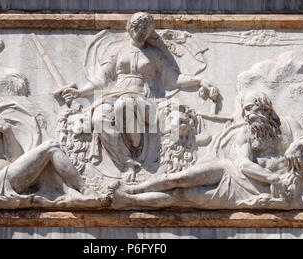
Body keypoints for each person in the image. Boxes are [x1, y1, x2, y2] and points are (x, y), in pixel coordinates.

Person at [58, 12, 218, 181]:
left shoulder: (155, 55)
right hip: (114, 95)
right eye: (137, 26)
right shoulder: (118, 51)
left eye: (145, 28)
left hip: (145, 99)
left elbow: (174, 79)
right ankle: (126, 162)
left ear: (149, 32)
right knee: (98, 119)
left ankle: (137, 147)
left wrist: (200, 80)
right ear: (129, 28)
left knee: (124, 105)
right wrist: (79, 93)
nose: (140, 30)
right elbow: (102, 79)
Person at [113, 91, 303, 208]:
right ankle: (135, 188)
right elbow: (244, 163)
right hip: (233, 172)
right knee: (181, 178)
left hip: (249, 191)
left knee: (181, 196)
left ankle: (129, 200)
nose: (247, 116)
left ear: (265, 108)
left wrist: (297, 145)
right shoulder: (246, 132)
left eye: (251, 110)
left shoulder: (288, 124)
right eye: (244, 111)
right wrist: (273, 178)